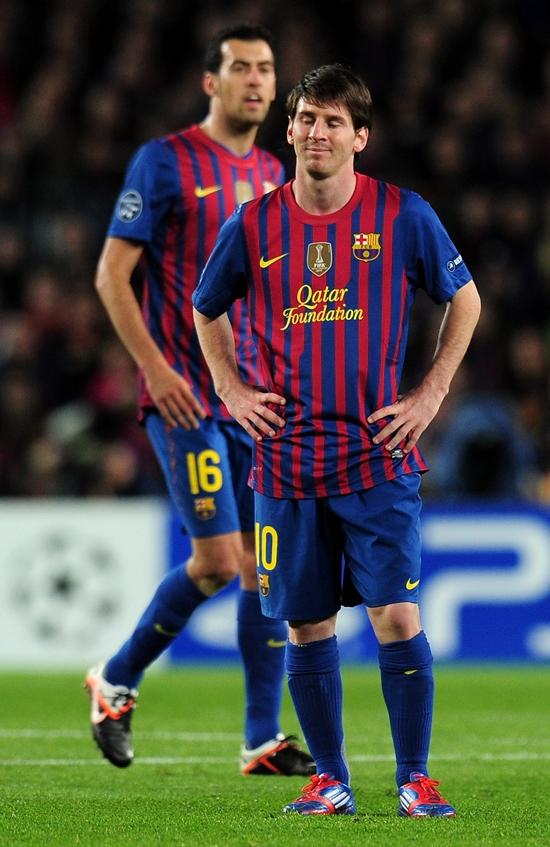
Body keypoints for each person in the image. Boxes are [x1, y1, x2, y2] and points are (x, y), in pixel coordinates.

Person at [193, 64, 481, 816]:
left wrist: (430, 391)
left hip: (377, 456)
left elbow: (466, 298)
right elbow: (205, 308)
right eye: (306, 118)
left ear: (360, 136)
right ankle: (330, 779)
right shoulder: (254, 224)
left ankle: (414, 778)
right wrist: (228, 387)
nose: (317, 132)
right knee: (304, 623)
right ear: (288, 130)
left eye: (332, 121)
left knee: (396, 615)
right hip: (285, 464)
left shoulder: (402, 214)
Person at [85, 23, 314, 778]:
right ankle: (115, 677)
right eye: (240, 68)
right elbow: (112, 276)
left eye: (266, 69)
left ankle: (259, 738)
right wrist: (154, 369)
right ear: (211, 83)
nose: (255, 80)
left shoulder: (279, 175)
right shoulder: (164, 162)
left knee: (267, 566)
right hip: (186, 398)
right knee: (218, 559)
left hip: (255, 399)